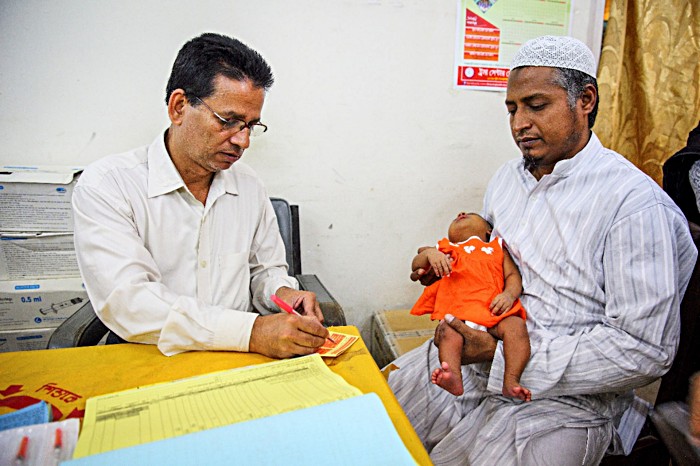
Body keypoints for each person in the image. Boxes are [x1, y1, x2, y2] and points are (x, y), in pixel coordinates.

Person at [389, 35, 698, 465]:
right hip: (472, 365)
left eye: (536, 106)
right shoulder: (507, 180)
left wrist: (503, 357)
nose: (519, 124)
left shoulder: (633, 204)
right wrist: (451, 269)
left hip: (570, 401)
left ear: (585, 100)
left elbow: (644, 349)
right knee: (366, 434)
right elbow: (493, 261)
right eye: (512, 109)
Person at [72, 33, 330, 358]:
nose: (243, 141)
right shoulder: (109, 186)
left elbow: (264, 270)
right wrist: (250, 333)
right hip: (153, 358)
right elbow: (130, 302)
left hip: (241, 357)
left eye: (251, 125)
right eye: (229, 121)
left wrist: (282, 292)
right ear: (179, 106)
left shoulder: (248, 185)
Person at [410, 212, 530, 400]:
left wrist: (508, 295)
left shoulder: (497, 248)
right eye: (456, 217)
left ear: (489, 231)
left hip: (493, 312)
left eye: (472, 215)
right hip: (461, 314)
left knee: (517, 327)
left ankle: (511, 379)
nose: (461, 214)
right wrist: (431, 255)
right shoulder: (446, 249)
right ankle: (453, 376)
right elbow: (418, 261)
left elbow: (513, 277)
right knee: (446, 332)